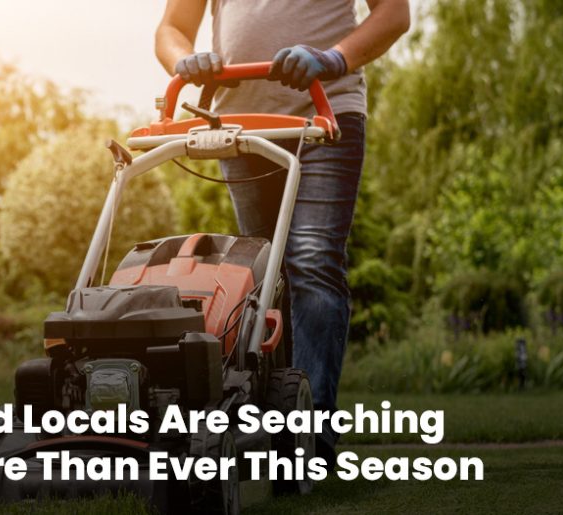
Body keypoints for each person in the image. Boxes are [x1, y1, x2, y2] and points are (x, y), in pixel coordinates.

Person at [155, 0, 410, 466]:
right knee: (265, 278)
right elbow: (172, 27)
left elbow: (394, 14)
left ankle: (312, 434)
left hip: (323, 114)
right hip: (241, 126)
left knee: (311, 260)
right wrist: (183, 62)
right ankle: (275, 423)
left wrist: (333, 58)